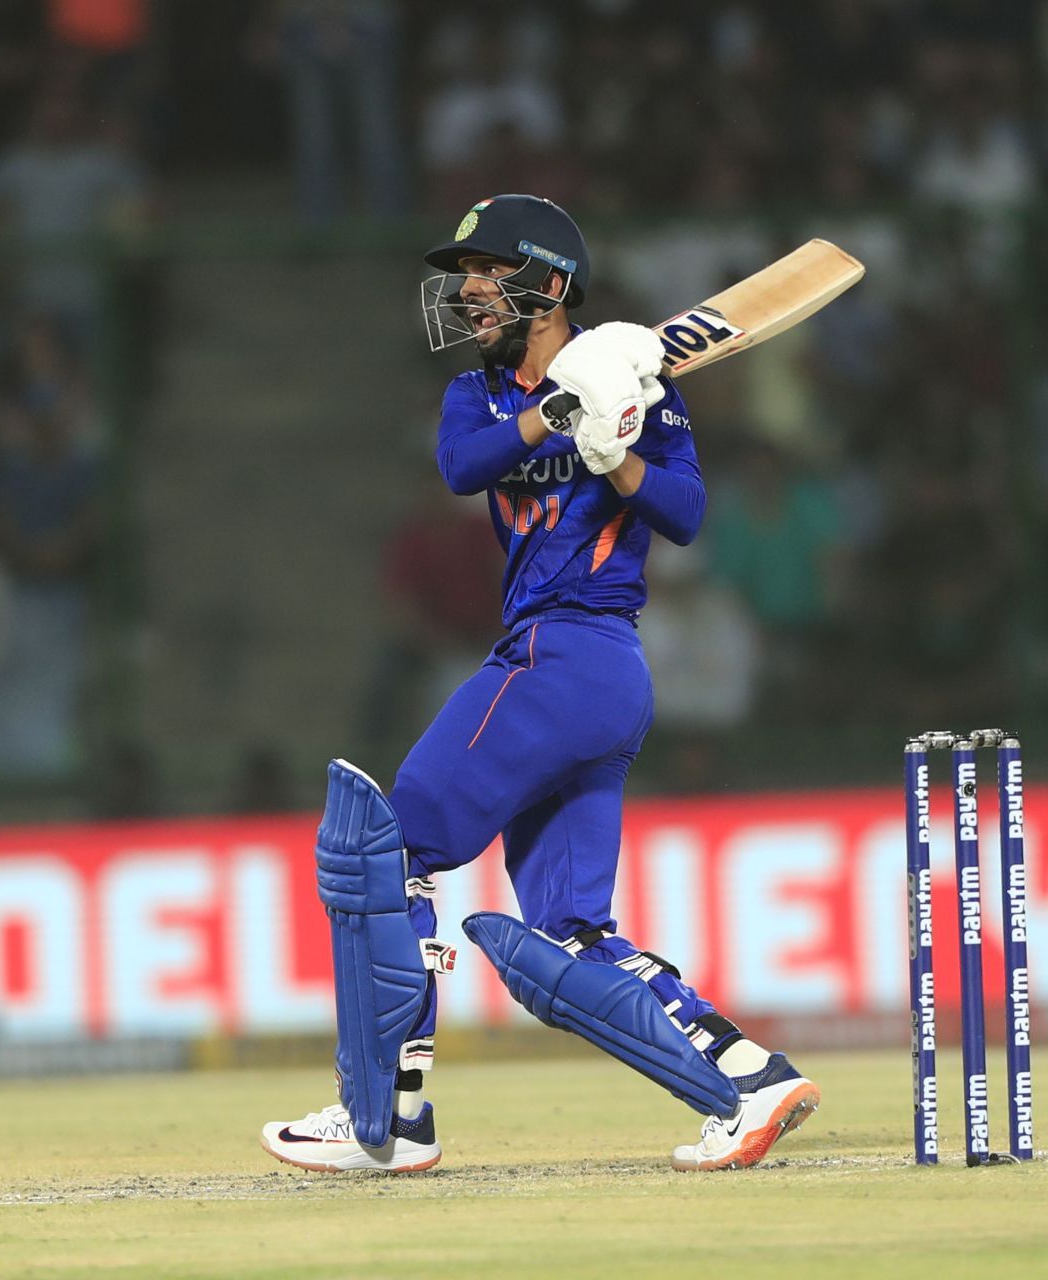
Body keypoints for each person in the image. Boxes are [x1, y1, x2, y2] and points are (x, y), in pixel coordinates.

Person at [260, 195, 820, 1174]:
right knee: (568, 931)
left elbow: (685, 509)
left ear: (548, 285)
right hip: (592, 679)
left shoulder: (642, 392)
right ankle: (749, 1080)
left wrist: (623, 454)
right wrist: (563, 410)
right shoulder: (478, 397)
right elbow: (462, 464)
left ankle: (384, 1116)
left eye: (488, 269)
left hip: (567, 653)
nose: (469, 288)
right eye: (464, 271)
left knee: (387, 852)